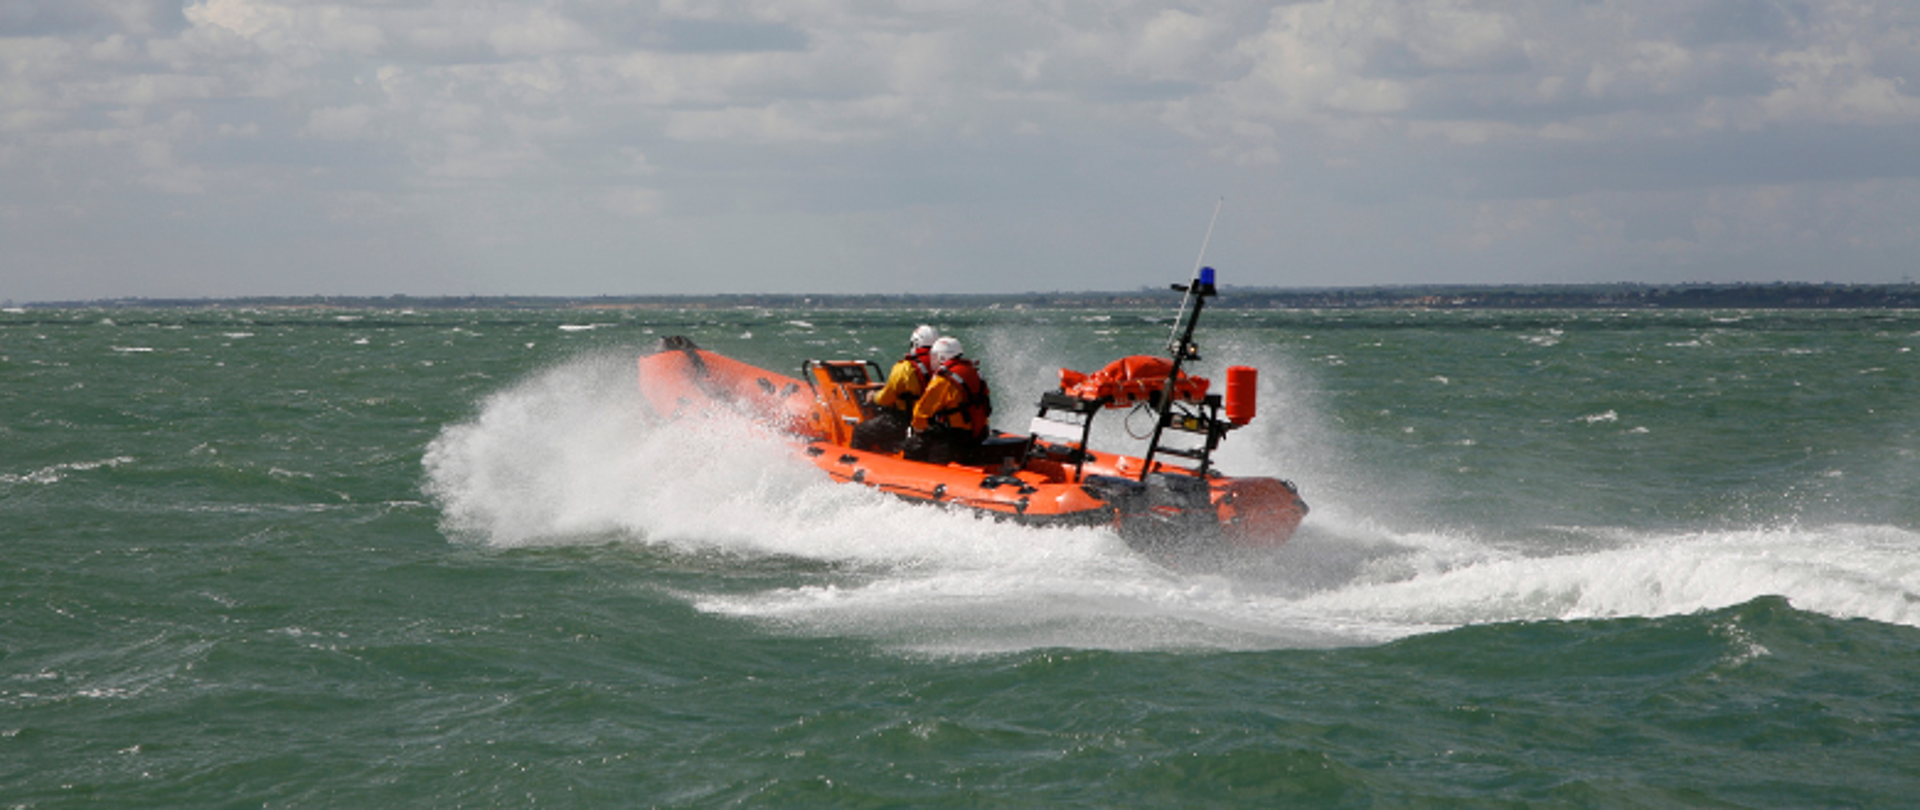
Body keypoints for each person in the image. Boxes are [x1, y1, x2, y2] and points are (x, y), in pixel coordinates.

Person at [850, 324, 939, 453]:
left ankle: (855, 465)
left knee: (861, 431)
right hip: (933, 421)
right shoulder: (941, 367)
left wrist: (873, 396)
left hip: (904, 420)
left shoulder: (905, 368)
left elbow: (886, 398)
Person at [905, 336, 992, 464]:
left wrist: (917, 429)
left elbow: (922, 411)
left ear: (942, 357)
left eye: (935, 356)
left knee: (912, 446)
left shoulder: (943, 380)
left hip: (954, 437)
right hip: (979, 433)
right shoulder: (974, 372)